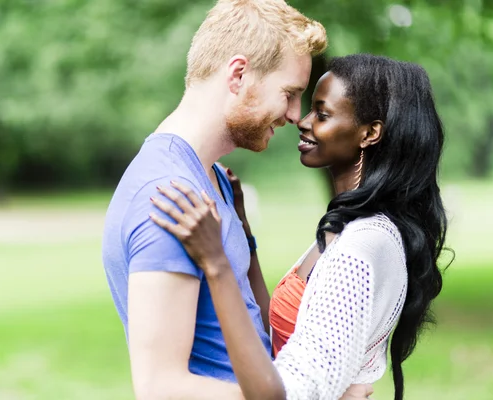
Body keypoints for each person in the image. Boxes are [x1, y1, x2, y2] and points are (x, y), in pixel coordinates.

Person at [101, 0, 371, 398]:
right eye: (290, 93)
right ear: (239, 74)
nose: (296, 115)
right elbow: (161, 388)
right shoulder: (167, 194)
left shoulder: (211, 179)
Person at [150, 54, 450, 400]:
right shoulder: (344, 227)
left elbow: (284, 394)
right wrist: (245, 236)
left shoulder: (362, 245)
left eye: (321, 114)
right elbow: (281, 335)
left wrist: (215, 263)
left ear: (370, 133)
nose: (302, 121)